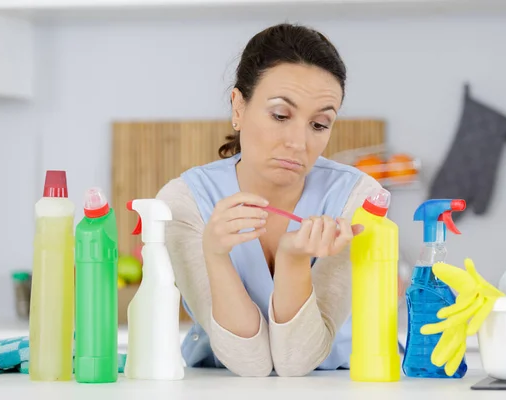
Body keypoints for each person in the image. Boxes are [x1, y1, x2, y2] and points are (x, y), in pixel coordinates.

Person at [156, 23, 399, 378]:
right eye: (281, 116)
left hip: (343, 385)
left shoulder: (359, 199)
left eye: (319, 125)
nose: (299, 143)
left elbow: (299, 362)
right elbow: (248, 364)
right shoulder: (184, 202)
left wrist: (293, 260)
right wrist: (215, 253)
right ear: (238, 107)